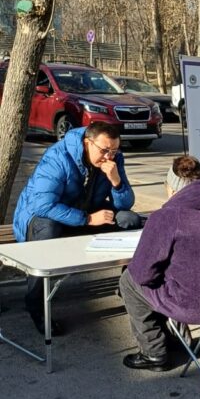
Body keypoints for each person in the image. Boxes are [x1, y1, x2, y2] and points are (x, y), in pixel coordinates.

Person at [119, 155, 200, 370]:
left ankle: (154, 353)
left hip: (195, 305)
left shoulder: (167, 216)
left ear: (171, 187)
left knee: (129, 280)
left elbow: (143, 274)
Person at [13, 121, 142, 335]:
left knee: (130, 220)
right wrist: (88, 219)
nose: (109, 157)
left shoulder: (114, 159)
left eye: (114, 151)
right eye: (104, 150)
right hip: (46, 218)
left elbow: (125, 204)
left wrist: (117, 182)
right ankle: (36, 303)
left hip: (85, 213)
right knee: (47, 230)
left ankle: (127, 286)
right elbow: (42, 205)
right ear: (87, 143)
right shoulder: (58, 157)